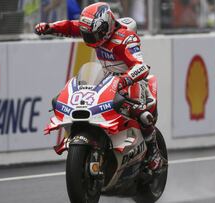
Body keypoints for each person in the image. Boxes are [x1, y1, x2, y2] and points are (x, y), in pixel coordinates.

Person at [34, 2, 166, 171]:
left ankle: (154, 153)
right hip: (106, 79)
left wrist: (124, 80)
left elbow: (141, 66)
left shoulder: (126, 39)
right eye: (87, 35)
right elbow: (70, 27)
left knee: (143, 114)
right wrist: (49, 28)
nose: (90, 39)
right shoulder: (94, 30)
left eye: (94, 35)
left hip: (130, 80)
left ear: (106, 27)